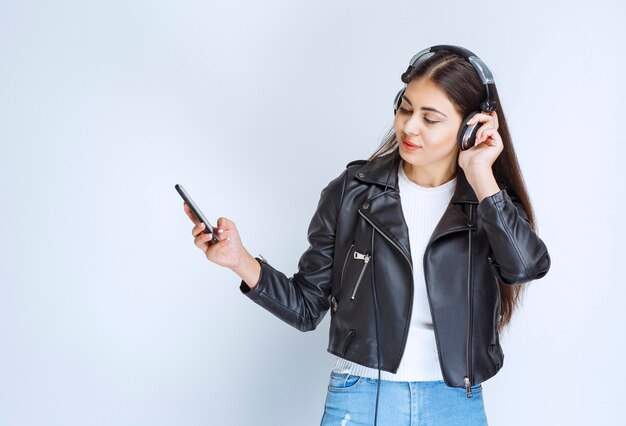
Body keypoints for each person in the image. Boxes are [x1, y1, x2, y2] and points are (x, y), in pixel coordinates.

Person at [183, 45, 551, 426]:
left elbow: (525, 266)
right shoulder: (350, 193)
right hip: (361, 397)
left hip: (454, 400)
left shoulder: (489, 203)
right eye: (405, 108)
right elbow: (307, 307)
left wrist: (480, 174)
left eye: (431, 118)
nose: (410, 127)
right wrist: (240, 261)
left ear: (471, 126)